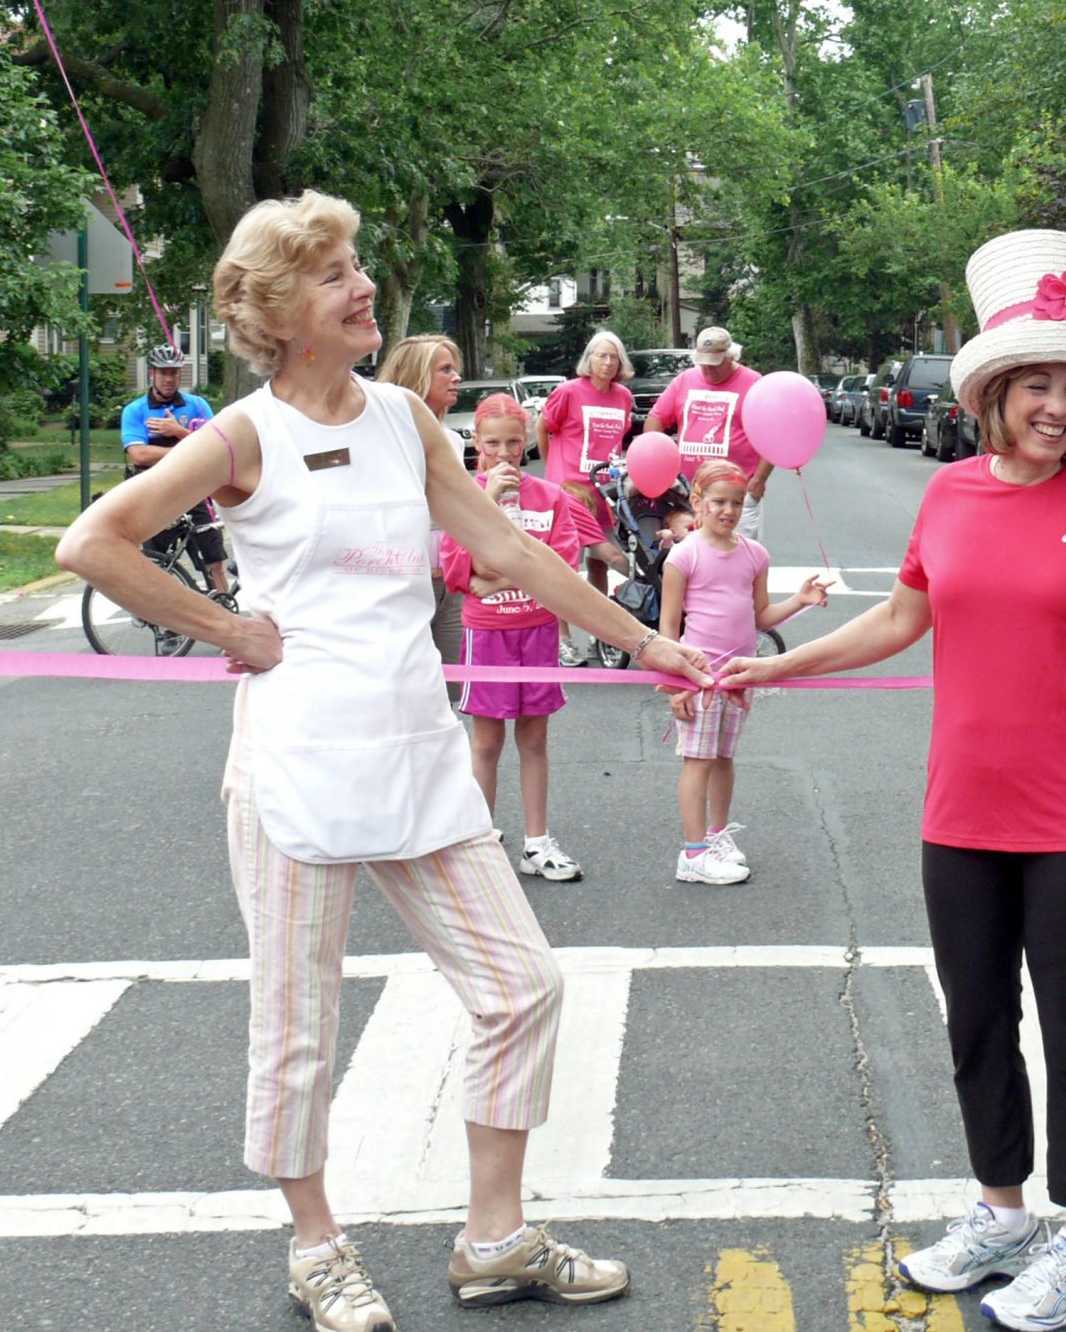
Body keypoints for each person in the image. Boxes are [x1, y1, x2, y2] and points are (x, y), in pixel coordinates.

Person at [57, 193, 713, 1329]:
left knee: (522, 987)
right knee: (298, 1022)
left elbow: (503, 543)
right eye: (331, 276)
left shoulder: (406, 418)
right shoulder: (241, 436)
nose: (362, 287)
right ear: (278, 312)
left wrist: (651, 642)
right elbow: (92, 541)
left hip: (416, 748)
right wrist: (228, 628)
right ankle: (315, 1248)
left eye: (355, 266)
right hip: (297, 763)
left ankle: (495, 1237)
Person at [722, 230, 1066, 1332]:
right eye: (1039, 385)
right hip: (962, 809)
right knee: (975, 1019)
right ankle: (1000, 1209)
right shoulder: (951, 499)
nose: (1059, 407)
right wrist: (773, 662)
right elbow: (898, 618)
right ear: (993, 393)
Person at [438, 394, 623, 886]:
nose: (503, 454)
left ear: (526, 445)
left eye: (514, 443)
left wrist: (500, 577)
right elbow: (459, 568)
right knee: (486, 741)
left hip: (537, 630)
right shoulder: (466, 496)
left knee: (535, 738)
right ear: (476, 443)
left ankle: (537, 842)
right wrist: (490, 505)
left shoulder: (550, 496)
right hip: (489, 634)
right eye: (492, 443)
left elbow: (560, 564)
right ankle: (480, 839)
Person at [658, 459, 829, 885]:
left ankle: (717, 835)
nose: (729, 511)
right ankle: (693, 852)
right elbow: (667, 628)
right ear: (697, 502)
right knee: (697, 761)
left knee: (723, 758)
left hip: (739, 676)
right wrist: (674, 683)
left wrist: (801, 599)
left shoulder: (755, 555)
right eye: (718, 501)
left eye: (737, 503)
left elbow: (760, 615)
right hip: (699, 679)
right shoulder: (684, 555)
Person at [536, 331, 636, 665]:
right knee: (564, 567)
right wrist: (556, 472)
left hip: (606, 492)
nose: (607, 363)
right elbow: (543, 428)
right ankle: (562, 639)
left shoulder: (623, 396)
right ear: (589, 359)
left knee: (599, 565)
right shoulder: (568, 392)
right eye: (601, 356)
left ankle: (599, 631)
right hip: (570, 492)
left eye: (613, 357)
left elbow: (618, 443)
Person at [380, 333, 466, 665]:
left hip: (450, 583)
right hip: (400, 586)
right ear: (416, 375)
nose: (456, 377)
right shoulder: (381, 440)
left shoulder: (453, 441)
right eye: (445, 369)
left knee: (453, 691)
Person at [120, 344, 232, 598]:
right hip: (155, 494)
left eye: (174, 373)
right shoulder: (136, 410)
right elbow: (140, 454)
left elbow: (215, 447)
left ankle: (225, 612)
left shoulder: (197, 405)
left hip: (193, 492)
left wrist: (179, 432)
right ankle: (167, 625)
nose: (169, 379)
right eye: (163, 373)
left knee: (214, 560)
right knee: (159, 565)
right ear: (151, 374)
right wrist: (188, 451)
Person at [645, 326, 771, 541]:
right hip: (689, 492)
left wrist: (759, 479)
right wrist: (657, 459)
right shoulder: (685, 380)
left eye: (715, 364)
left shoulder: (754, 384)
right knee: (692, 559)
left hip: (736, 493)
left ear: (731, 357)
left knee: (737, 555)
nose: (708, 370)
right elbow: (655, 419)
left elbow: (772, 435)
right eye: (703, 364)